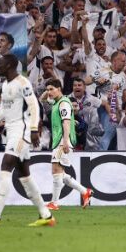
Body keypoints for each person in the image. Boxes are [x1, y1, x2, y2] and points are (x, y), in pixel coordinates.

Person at [0, 54, 55, 227]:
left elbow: (33, 105)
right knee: (24, 176)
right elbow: (3, 109)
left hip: (22, 131)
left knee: (5, 166)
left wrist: (33, 129)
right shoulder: (5, 85)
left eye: (0, 63)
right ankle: (46, 215)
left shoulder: (23, 82)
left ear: (9, 65)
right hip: (11, 131)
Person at [43, 79, 92, 211]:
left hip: (62, 140)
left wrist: (65, 141)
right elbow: (42, 99)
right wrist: (48, 91)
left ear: (59, 88)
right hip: (58, 141)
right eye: (47, 89)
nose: (49, 92)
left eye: (51, 89)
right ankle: (85, 191)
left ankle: (54, 203)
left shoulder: (64, 103)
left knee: (55, 170)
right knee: (60, 173)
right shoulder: (56, 102)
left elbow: (66, 122)